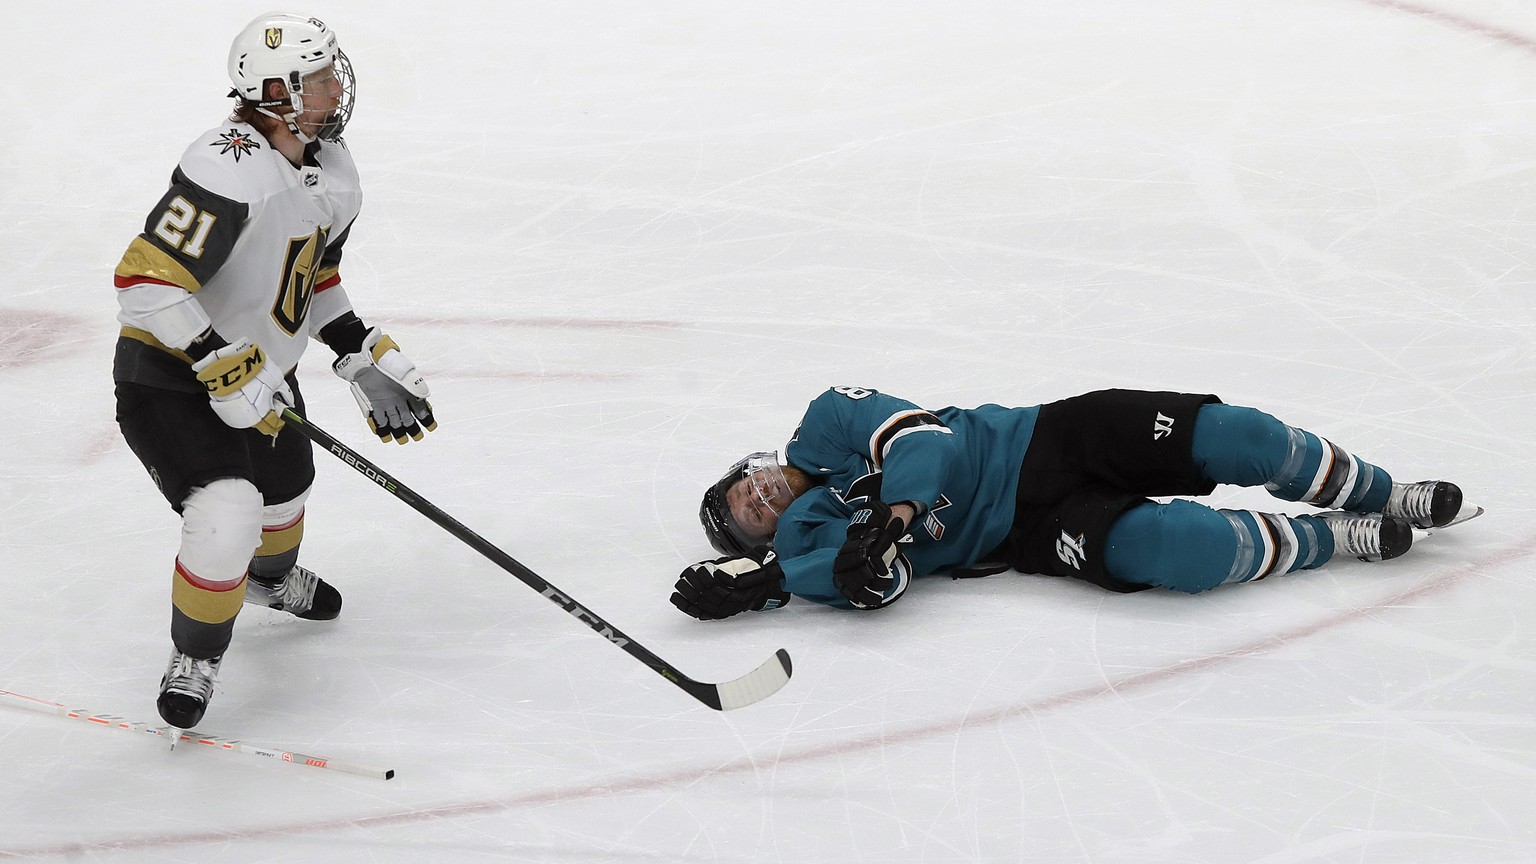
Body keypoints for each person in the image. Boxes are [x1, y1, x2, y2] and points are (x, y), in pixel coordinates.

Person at [113, 13, 437, 729]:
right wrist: (213, 359)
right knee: (226, 516)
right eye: (318, 77)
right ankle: (197, 653)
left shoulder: (333, 168)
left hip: (256, 372)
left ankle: (268, 582)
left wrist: (357, 353)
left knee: (286, 491)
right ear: (274, 92)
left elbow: (312, 276)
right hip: (167, 372)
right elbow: (144, 280)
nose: (334, 86)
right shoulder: (226, 166)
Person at [672, 386, 1477, 619]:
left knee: (1239, 437)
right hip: (1034, 530)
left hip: (1050, 438)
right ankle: (1337, 537)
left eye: (745, 483)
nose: (760, 495)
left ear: (756, 462)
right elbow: (871, 584)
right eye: (751, 515)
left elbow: (928, 445)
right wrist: (773, 585)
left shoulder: (826, 420)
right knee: (1183, 552)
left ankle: (1388, 492)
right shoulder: (809, 536)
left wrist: (896, 518)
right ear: (766, 532)